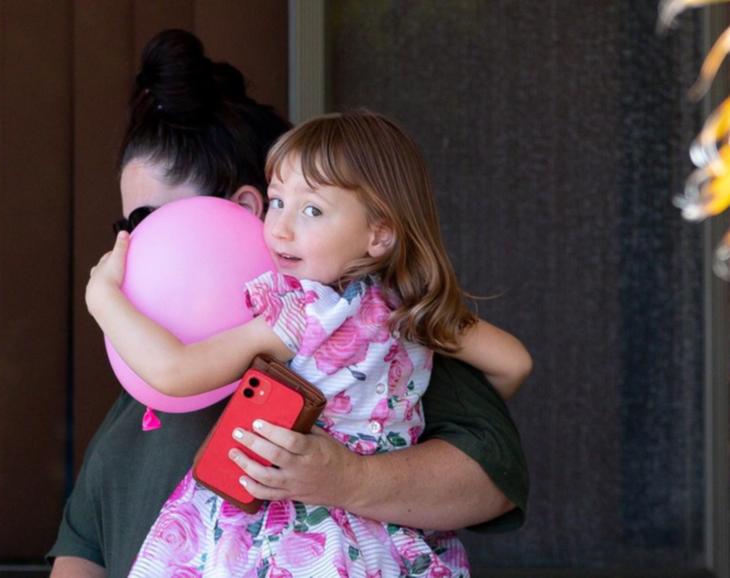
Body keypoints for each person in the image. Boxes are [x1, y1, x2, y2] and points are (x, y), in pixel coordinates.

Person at [48, 29, 530, 578]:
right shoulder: (406, 314)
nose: (131, 247)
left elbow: (494, 469)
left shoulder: (321, 318)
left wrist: (101, 296)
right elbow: (81, 543)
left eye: (145, 222)